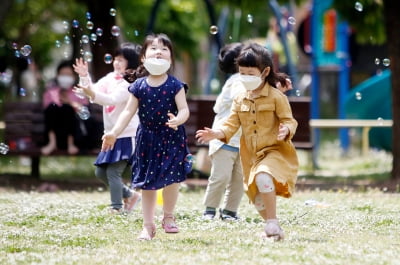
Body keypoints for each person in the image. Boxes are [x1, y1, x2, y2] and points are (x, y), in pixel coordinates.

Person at [196, 43, 299, 241]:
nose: (245, 77)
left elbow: (289, 120)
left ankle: (271, 223)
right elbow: (231, 124)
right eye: (242, 72)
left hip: (273, 151)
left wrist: (287, 129)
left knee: (262, 177)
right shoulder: (240, 98)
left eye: (250, 73)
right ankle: (273, 225)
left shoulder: (277, 97)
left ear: (265, 71)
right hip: (251, 156)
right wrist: (217, 133)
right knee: (257, 198)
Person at [101, 33, 191, 240]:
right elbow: (127, 112)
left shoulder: (176, 85)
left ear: (170, 58)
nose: (159, 51)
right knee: (147, 184)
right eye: (153, 48)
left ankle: (168, 217)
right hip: (147, 140)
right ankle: (148, 226)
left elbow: (184, 109)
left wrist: (178, 119)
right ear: (143, 57)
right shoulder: (139, 86)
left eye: (164, 49)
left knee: (172, 181)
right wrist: (114, 132)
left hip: (172, 138)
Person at [73, 43, 142, 214]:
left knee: (113, 171)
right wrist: (84, 76)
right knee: (100, 172)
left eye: (121, 60)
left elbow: (111, 99)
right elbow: (92, 90)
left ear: (131, 63)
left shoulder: (130, 83)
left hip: (126, 134)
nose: (116, 63)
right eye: (116, 59)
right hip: (110, 135)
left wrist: (90, 92)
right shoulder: (110, 78)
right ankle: (131, 195)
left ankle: (116, 207)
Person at [202, 42, 245, 221]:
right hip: (224, 139)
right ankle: (210, 209)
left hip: (243, 141)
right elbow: (238, 97)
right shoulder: (237, 80)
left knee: (239, 180)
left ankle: (229, 211)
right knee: (221, 177)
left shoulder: (247, 79)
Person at [41, 60, 91, 155]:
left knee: (67, 108)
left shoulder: (79, 92)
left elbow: (85, 112)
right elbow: (47, 112)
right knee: (53, 107)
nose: (65, 77)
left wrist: (70, 103)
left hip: (76, 136)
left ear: (74, 76)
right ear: (57, 75)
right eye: (62, 74)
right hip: (56, 133)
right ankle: (52, 143)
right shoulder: (51, 92)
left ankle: (70, 143)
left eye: (68, 74)